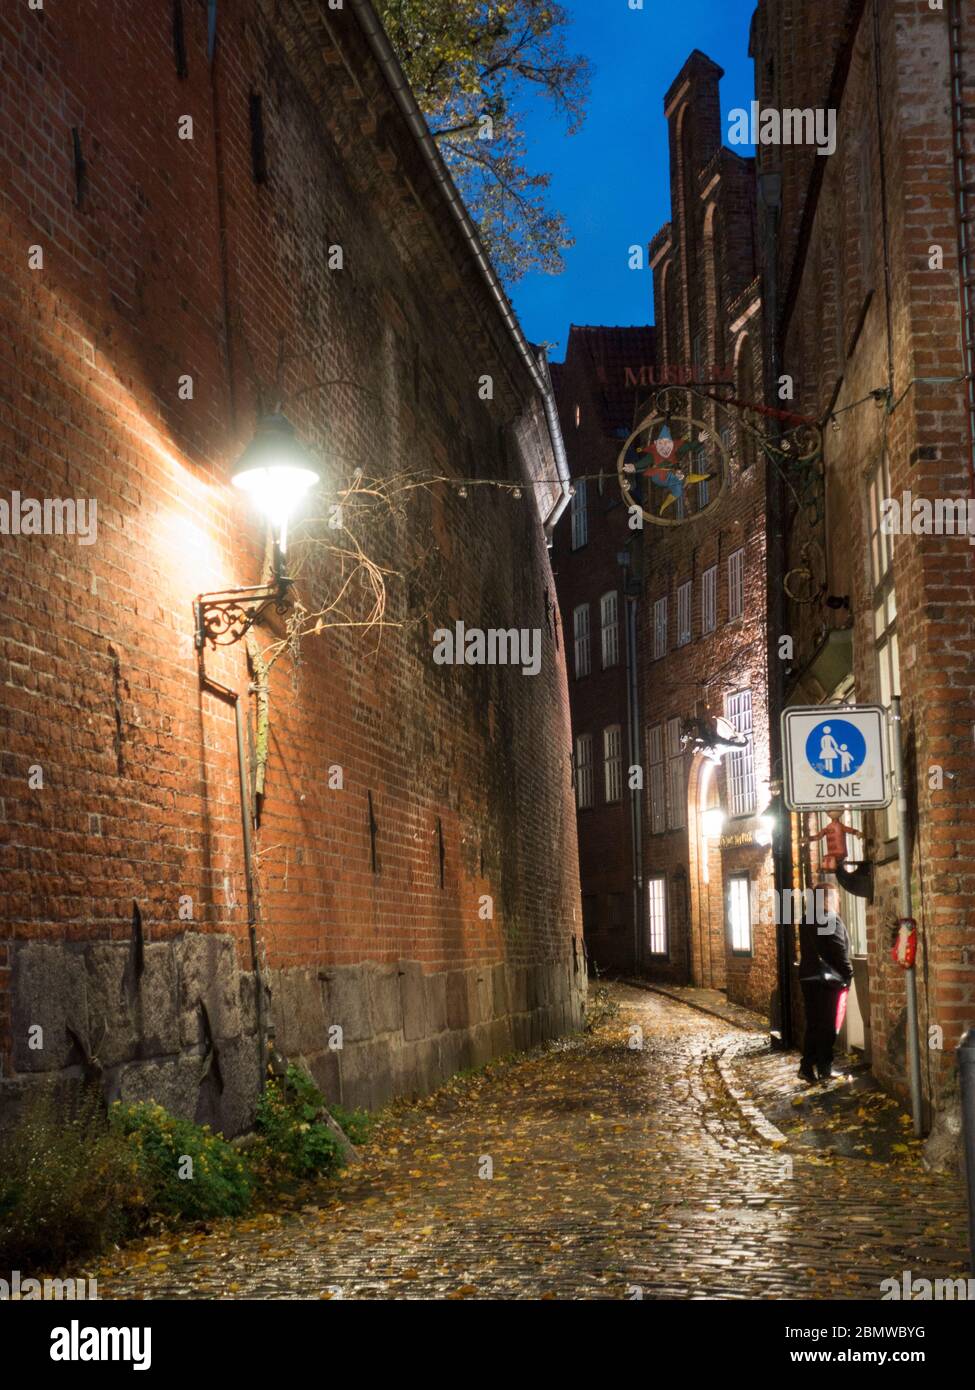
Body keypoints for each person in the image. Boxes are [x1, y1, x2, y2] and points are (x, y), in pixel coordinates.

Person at [797, 881, 854, 1084]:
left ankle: (807, 1066)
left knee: (814, 1024)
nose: (838, 901)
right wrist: (848, 974)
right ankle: (824, 1067)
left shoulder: (806, 919)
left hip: (808, 977)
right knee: (828, 1026)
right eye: (836, 897)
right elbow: (838, 949)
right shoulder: (829, 919)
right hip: (828, 979)